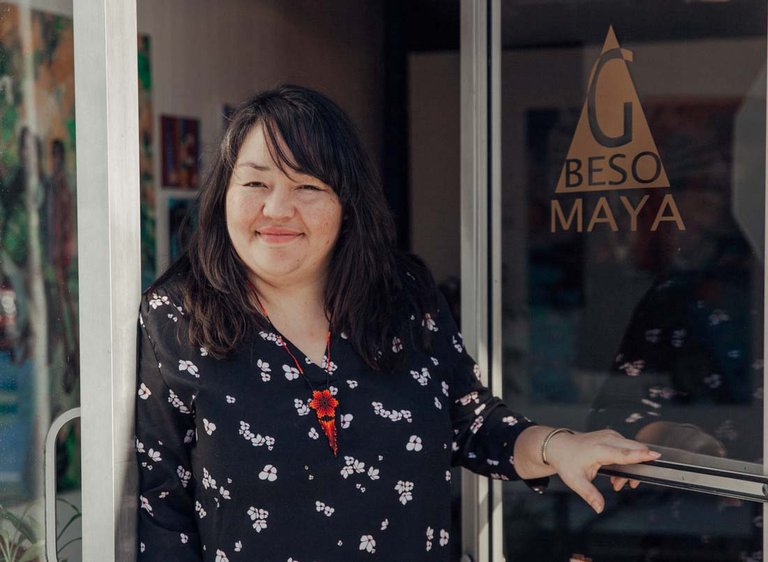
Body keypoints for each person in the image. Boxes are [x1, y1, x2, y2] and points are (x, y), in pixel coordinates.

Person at [135, 85, 659, 561]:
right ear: (224, 193)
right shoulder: (176, 318)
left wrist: (558, 445)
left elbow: (470, 422)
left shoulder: (402, 297)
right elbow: (164, 510)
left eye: (309, 187)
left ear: (347, 205)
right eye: (255, 182)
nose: (277, 208)